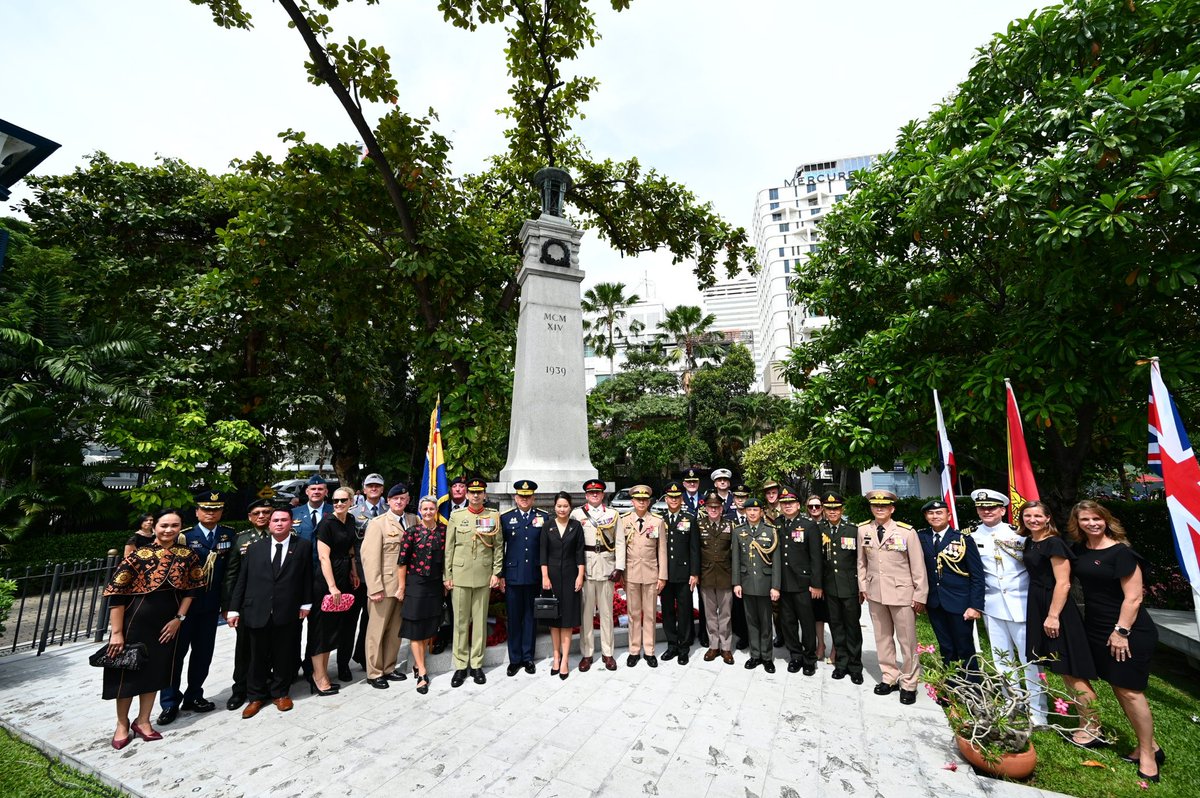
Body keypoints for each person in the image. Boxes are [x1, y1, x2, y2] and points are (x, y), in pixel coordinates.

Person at [1068, 500, 1162, 782]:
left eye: (1096, 519)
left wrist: (1121, 632)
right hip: (1096, 628)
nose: (1091, 524)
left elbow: (1134, 597)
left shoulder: (1122, 553)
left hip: (1128, 630)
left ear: (1106, 520)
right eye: (1085, 519)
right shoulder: (1080, 550)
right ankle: (1152, 745)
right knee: (1119, 688)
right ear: (1078, 523)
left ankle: (1148, 754)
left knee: (1131, 691)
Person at [101, 509, 206, 749]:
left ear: (181, 527)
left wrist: (179, 618)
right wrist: (117, 632)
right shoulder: (138, 555)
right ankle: (121, 723)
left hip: (167, 623)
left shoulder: (188, 555)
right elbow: (116, 595)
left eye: (175, 525)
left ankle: (144, 720)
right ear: (154, 526)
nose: (169, 530)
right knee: (126, 674)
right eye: (164, 525)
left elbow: (192, 590)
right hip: (135, 621)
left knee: (156, 673)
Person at [1019, 501, 1099, 744]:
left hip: (1056, 608)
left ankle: (1093, 726)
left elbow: (1063, 583)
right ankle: (1084, 721)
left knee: (1072, 668)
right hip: (1038, 604)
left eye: (1037, 516)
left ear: (1047, 518)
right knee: (1063, 669)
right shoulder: (1032, 541)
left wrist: (1053, 616)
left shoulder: (1054, 542)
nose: (1032, 520)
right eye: (1027, 516)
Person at [970, 488, 1048, 725]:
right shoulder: (972, 537)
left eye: (992, 507)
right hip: (992, 606)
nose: (986, 511)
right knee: (1001, 659)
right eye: (982, 508)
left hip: (1021, 605)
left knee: (1029, 660)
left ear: (1002, 510)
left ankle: (1038, 710)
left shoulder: (1019, 535)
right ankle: (1011, 702)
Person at [159, 490, 237, 725]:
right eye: (205, 509)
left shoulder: (229, 535)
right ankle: (170, 702)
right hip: (183, 607)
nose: (210, 513)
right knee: (175, 656)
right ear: (197, 512)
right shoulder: (183, 537)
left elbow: (229, 574)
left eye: (215, 509)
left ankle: (194, 695)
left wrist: (227, 605)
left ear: (221, 511)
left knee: (203, 654)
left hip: (211, 606)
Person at [227, 508, 313, 718]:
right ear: (269, 524)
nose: (279, 523)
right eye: (275, 520)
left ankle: (280, 693)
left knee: (283, 654)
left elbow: (307, 577)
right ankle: (255, 696)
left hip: (287, 610)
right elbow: (242, 580)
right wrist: (233, 609)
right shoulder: (255, 548)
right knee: (256, 656)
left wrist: (306, 604)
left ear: (291, 523)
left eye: (284, 520)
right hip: (257, 610)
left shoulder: (302, 546)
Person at [857, 489, 927, 705]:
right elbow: (862, 562)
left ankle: (909, 682)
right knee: (882, 637)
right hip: (875, 593)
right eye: (876, 506)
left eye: (884, 506)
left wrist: (920, 594)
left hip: (902, 593)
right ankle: (890, 676)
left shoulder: (906, 532)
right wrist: (862, 587)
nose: (879, 509)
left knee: (907, 640)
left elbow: (918, 566)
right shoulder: (863, 530)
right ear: (871, 507)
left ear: (892, 508)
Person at [916, 499, 984, 686]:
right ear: (926, 517)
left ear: (948, 515)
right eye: (931, 513)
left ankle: (973, 687)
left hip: (960, 603)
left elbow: (977, 576)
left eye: (939, 513)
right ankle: (951, 686)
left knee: (965, 647)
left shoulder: (963, 539)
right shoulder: (921, 538)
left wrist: (975, 605)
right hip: (935, 602)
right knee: (946, 646)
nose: (935, 516)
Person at [445, 478, 503, 687]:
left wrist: (496, 572)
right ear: (467, 495)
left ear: (485, 495)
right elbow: (449, 548)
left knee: (479, 622)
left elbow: (498, 547)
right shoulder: (456, 516)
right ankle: (460, 666)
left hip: (483, 575)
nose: (476, 495)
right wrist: (447, 575)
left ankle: (477, 664)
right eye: (472, 492)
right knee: (460, 622)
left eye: (480, 492)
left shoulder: (492, 516)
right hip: (460, 576)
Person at [360, 483, 415, 689]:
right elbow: (369, 557)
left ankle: (389, 668)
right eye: (395, 499)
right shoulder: (378, 523)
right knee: (376, 631)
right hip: (384, 587)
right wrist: (374, 588)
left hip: (405, 586)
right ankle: (374, 672)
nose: (399, 502)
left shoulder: (412, 520)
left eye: (403, 498)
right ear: (388, 501)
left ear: (408, 500)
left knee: (395, 630)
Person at [307, 486, 361, 695]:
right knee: (320, 630)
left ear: (351, 502)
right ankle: (318, 677)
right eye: (336, 501)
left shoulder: (350, 521)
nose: (338, 504)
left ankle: (323, 674)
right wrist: (331, 586)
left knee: (332, 631)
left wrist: (354, 572)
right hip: (326, 583)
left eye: (343, 501)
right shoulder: (326, 523)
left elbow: (349, 550)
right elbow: (323, 557)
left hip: (344, 577)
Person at [221, 498, 273, 711]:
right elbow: (231, 575)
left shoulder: (283, 536)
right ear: (250, 517)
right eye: (257, 513)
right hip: (248, 604)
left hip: (274, 602)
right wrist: (229, 606)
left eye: (266, 512)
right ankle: (240, 688)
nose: (262, 516)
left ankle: (267, 684)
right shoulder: (241, 539)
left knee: (272, 646)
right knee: (244, 649)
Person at [395, 496, 447, 695]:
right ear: (419, 511)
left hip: (434, 586)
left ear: (436, 510)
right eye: (424, 509)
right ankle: (422, 672)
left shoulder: (444, 531)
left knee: (429, 626)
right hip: (416, 584)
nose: (428, 512)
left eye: (431, 509)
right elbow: (402, 562)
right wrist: (402, 587)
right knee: (416, 627)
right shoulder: (412, 532)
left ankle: (419, 663)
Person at [572, 479, 623, 672]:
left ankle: (608, 653)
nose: (594, 495)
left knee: (607, 614)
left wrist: (619, 567)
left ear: (603, 495)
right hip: (586, 568)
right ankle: (587, 653)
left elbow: (619, 542)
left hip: (607, 567)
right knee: (586, 614)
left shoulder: (612, 514)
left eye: (598, 492)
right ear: (586, 495)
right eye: (591, 492)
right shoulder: (577, 514)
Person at [500, 479, 546, 676]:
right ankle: (514, 659)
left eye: (528, 496)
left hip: (533, 575)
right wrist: (501, 574)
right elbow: (499, 549)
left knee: (530, 617)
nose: (524, 499)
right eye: (521, 496)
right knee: (514, 617)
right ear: (515, 498)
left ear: (533, 498)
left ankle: (528, 658)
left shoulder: (542, 517)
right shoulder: (505, 518)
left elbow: (545, 548)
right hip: (513, 575)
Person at [818, 492, 864, 684]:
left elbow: (861, 560)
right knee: (836, 626)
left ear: (841, 510)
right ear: (824, 511)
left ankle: (855, 666)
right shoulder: (818, 529)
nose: (832, 512)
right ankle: (841, 663)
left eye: (836, 508)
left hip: (849, 586)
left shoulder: (853, 530)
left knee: (852, 627)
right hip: (830, 586)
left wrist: (862, 587)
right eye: (829, 509)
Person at [346, 473, 388, 677]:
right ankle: (344, 663)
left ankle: (364, 657)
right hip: (359, 576)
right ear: (363, 489)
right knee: (351, 620)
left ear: (382, 489)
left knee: (372, 620)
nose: (373, 488)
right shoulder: (353, 513)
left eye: (377, 486)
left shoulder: (390, 510)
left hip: (382, 576)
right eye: (370, 485)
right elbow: (349, 545)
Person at [775, 490, 822, 675]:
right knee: (788, 622)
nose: (787, 505)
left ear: (798, 505)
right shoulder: (777, 524)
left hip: (803, 583)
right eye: (784, 502)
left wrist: (816, 583)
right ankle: (795, 655)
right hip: (784, 583)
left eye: (791, 502)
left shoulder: (808, 525)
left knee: (807, 622)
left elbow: (816, 557)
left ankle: (809, 658)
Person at [620, 485, 666, 667]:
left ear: (649, 502)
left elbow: (661, 550)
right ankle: (633, 650)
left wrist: (662, 576)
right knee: (633, 614)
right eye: (638, 499)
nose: (641, 502)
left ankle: (649, 650)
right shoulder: (623, 521)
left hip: (651, 573)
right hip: (631, 573)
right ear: (632, 501)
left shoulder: (657, 521)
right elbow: (620, 549)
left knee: (650, 614)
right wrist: (621, 574)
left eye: (644, 500)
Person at [541, 492, 586, 678]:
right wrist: (544, 576)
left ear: (570, 507)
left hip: (570, 576)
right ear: (554, 507)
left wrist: (580, 576)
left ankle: (566, 660)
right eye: (559, 506)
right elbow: (543, 553)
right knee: (554, 620)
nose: (562, 509)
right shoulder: (547, 526)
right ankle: (556, 657)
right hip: (551, 578)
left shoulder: (576, 526)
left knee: (567, 620)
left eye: (565, 506)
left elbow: (579, 553)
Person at [732, 498, 779, 671]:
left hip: (765, 583)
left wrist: (776, 586)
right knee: (751, 621)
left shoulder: (770, 531)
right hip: (746, 583)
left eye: (755, 510)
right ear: (745, 512)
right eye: (749, 510)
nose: (752, 513)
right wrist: (736, 583)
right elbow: (736, 559)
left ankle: (767, 657)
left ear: (761, 512)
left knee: (766, 622)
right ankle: (755, 655)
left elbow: (776, 561)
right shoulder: (738, 531)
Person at [659, 481, 700, 666]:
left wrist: (694, 573)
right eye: (670, 497)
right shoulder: (659, 520)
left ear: (681, 498)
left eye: (677, 497)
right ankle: (672, 645)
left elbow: (694, 549)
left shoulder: (689, 518)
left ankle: (684, 648)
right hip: (665, 574)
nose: (673, 500)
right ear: (666, 499)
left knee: (684, 612)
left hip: (684, 574)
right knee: (667, 612)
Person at [697, 490, 736, 664]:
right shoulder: (699, 525)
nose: (713, 510)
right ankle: (714, 645)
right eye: (710, 507)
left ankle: (726, 648)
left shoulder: (730, 525)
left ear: (721, 508)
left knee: (726, 614)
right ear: (705, 508)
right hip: (706, 574)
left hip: (725, 575)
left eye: (717, 507)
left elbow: (734, 553)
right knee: (710, 614)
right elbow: (695, 551)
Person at [434, 476, 470, 654]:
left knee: (461, 607)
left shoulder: (475, 509)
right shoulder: (441, 509)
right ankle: (442, 637)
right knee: (444, 604)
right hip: (442, 562)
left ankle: (461, 640)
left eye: (461, 486)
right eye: (454, 486)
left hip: (465, 566)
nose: (457, 489)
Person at [805, 494, 833, 662]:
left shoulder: (829, 525)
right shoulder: (805, 525)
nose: (814, 509)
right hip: (812, 577)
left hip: (829, 576)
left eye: (817, 506)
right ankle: (820, 645)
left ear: (822, 507)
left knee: (833, 615)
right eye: (811, 506)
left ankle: (836, 648)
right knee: (817, 614)